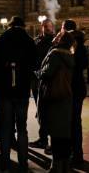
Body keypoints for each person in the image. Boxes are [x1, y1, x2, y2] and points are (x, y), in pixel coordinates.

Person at [0, 16, 37, 172]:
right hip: (22, 90)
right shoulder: (29, 41)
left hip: (4, 90)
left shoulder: (1, 40)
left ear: (9, 26)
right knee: (22, 127)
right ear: (23, 26)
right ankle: (23, 163)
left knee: (5, 127)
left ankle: (4, 163)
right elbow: (35, 64)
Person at [36, 31, 75, 173]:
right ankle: (65, 165)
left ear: (60, 40)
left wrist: (38, 73)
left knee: (56, 133)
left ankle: (56, 166)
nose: (55, 36)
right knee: (64, 134)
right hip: (65, 96)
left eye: (58, 35)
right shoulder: (69, 55)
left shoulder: (55, 54)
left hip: (53, 96)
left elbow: (46, 73)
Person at [31, 18, 55, 150]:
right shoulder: (38, 40)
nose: (45, 28)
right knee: (40, 110)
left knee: (49, 112)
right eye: (44, 26)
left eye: (48, 26)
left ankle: (50, 141)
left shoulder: (54, 41)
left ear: (52, 27)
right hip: (37, 79)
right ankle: (43, 138)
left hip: (47, 80)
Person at [69, 29, 89, 168]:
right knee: (76, 122)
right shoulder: (82, 50)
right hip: (79, 89)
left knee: (73, 123)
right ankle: (77, 154)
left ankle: (75, 154)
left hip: (73, 89)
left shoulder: (75, 51)